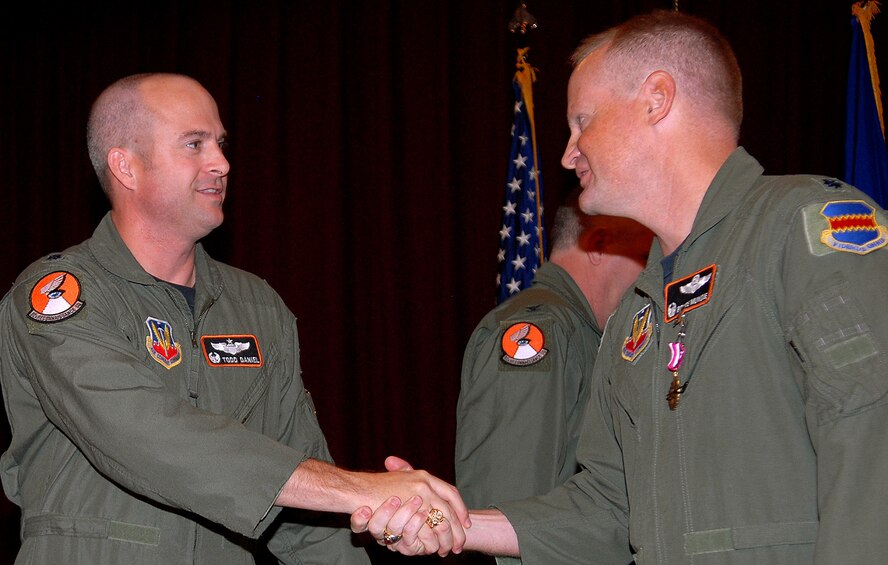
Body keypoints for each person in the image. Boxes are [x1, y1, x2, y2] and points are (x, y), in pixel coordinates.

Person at [352, 9, 888, 563]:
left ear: (656, 99)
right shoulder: (639, 310)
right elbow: (609, 504)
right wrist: (451, 523)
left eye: (582, 121)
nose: (568, 153)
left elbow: (874, 437)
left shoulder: (802, 230)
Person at [0, 72, 468, 564]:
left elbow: (306, 518)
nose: (221, 163)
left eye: (220, 144)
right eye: (194, 144)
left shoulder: (256, 306)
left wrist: (373, 506)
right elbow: (144, 434)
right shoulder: (59, 295)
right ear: (126, 166)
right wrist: (356, 489)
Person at [454, 190, 651, 565]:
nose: (650, 273)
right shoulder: (542, 331)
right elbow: (508, 504)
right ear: (599, 245)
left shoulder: (582, 337)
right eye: (644, 255)